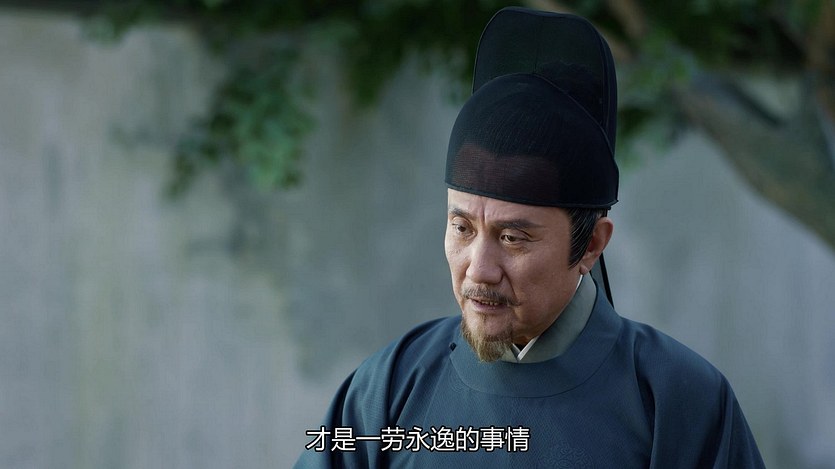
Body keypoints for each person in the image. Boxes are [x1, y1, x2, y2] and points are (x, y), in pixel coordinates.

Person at [295, 7, 765, 468]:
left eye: (513, 238)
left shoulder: (676, 400)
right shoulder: (390, 387)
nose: (479, 270)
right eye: (462, 228)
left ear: (591, 244)